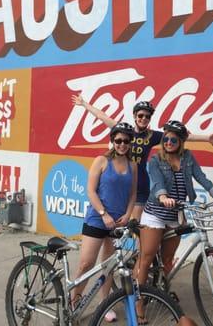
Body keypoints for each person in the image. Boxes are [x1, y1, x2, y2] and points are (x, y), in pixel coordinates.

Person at [135, 120, 213, 323]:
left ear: (181, 142)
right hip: (156, 214)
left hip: (176, 215)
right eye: (166, 138)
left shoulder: (187, 157)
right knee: (147, 258)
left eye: (173, 139)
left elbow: (200, 177)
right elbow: (158, 182)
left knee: (167, 261)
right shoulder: (155, 159)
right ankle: (139, 302)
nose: (168, 142)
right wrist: (162, 196)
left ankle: (161, 291)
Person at [71, 95, 213, 220]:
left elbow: (177, 136)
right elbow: (102, 116)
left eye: (147, 116)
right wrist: (84, 104)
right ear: (135, 116)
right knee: (116, 226)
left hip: (140, 183)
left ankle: (136, 254)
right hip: (121, 182)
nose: (143, 119)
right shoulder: (124, 132)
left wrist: (206, 138)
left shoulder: (153, 136)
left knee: (134, 226)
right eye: (140, 115)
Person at [71, 122, 137, 322]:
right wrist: (103, 214)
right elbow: (90, 191)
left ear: (130, 143)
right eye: (118, 140)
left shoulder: (133, 165)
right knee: (86, 263)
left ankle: (104, 303)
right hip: (97, 220)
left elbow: (133, 194)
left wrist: (127, 215)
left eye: (126, 141)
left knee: (108, 266)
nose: (122, 144)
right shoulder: (101, 160)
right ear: (112, 141)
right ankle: (74, 300)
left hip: (118, 223)